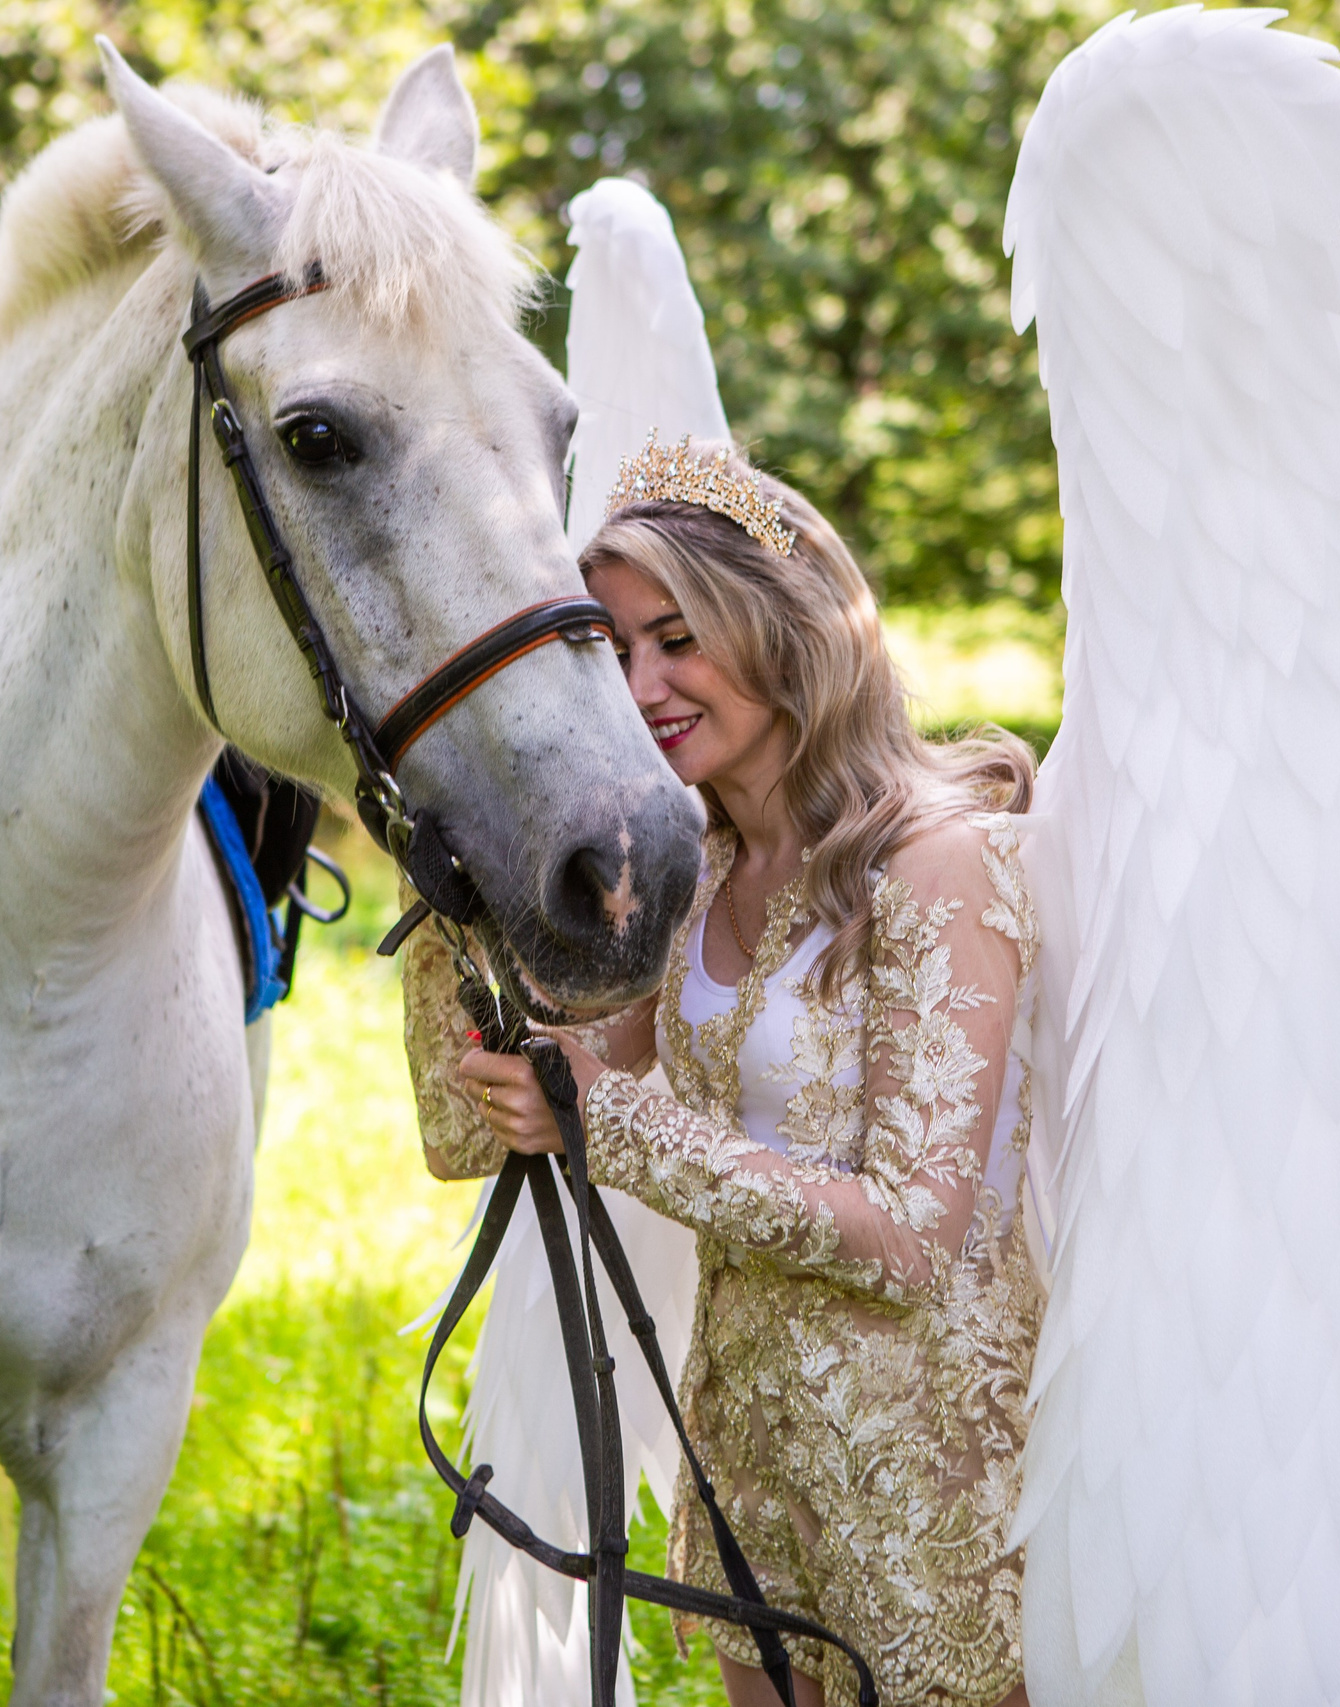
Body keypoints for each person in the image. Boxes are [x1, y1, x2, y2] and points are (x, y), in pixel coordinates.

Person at [402, 437, 1042, 1707]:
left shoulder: (937, 863)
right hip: (750, 1458)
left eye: (677, 639)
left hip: (929, 1485)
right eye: (616, 650)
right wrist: (453, 912)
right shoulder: (689, 869)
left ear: (787, 631)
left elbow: (914, 1233)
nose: (644, 685)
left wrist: (610, 1120)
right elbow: (475, 1135)